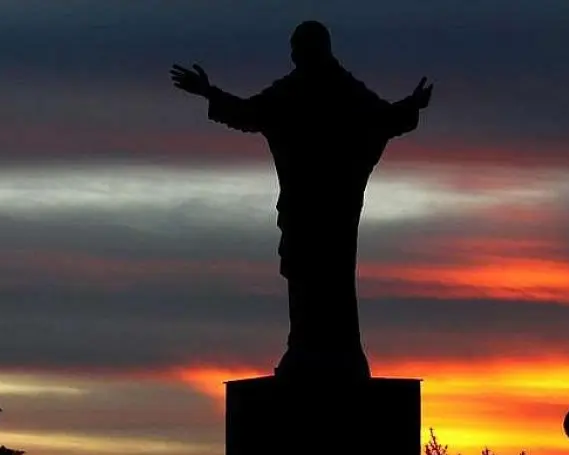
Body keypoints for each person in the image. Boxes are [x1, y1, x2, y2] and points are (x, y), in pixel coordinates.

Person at [170, 20, 432, 381]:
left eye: (298, 49)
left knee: (328, 277)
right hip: (309, 208)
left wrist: (409, 107)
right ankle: (308, 347)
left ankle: (330, 351)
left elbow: (380, 117)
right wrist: (209, 93)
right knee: (308, 274)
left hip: (327, 209)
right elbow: (250, 113)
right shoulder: (303, 91)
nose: (294, 57)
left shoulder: (331, 90)